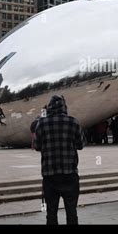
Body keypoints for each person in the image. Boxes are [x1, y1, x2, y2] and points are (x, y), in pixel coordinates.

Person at [34, 95, 84, 225]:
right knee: (71, 210)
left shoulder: (42, 123)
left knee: (51, 212)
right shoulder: (73, 122)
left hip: (50, 175)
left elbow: (37, 146)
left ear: (49, 107)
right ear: (64, 107)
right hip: (69, 173)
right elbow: (81, 145)